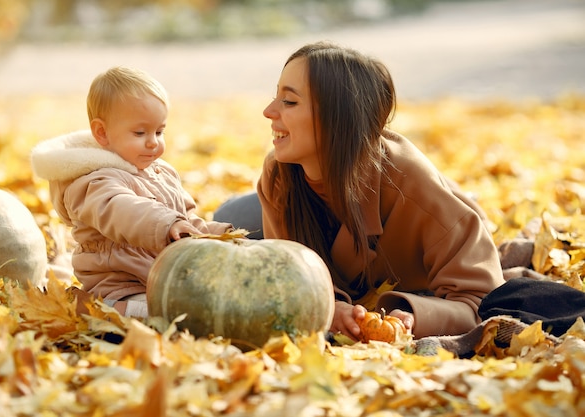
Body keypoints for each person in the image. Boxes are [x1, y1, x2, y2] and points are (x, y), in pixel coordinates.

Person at [253, 41, 505, 340]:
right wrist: (327, 307)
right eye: (275, 97)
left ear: (339, 118)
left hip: (440, 211)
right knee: (233, 217)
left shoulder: (412, 186)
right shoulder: (278, 175)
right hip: (264, 207)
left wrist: (414, 318)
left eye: (289, 102)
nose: (269, 112)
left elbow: (482, 301)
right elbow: (288, 278)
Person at [31, 66, 232, 317]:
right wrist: (166, 223)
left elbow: (186, 221)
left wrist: (219, 236)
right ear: (102, 133)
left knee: (206, 305)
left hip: (158, 277)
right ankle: (93, 306)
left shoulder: (161, 173)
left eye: (159, 131)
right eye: (140, 133)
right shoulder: (94, 181)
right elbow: (121, 208)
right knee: (165, 315)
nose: (153, 142)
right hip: (120, 284)